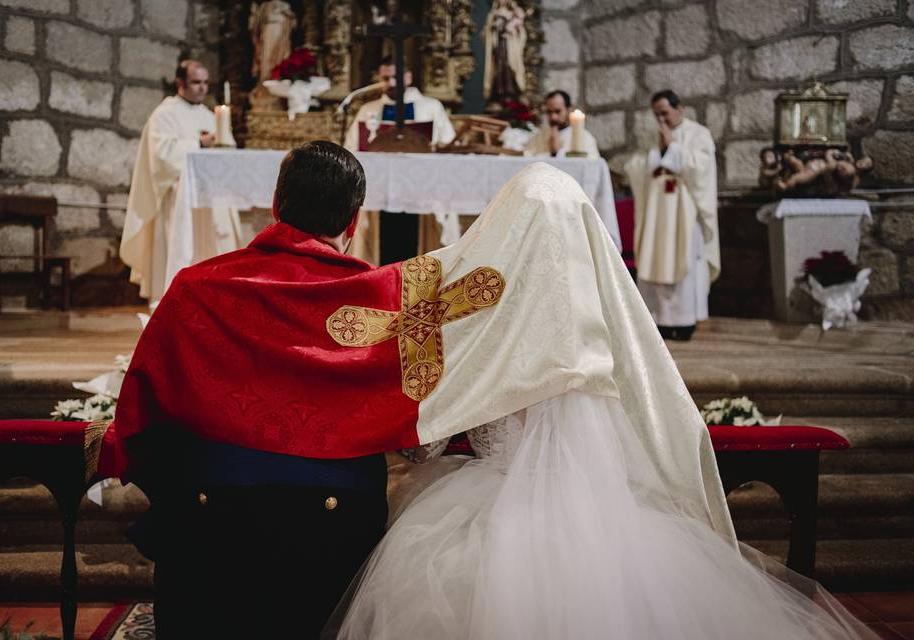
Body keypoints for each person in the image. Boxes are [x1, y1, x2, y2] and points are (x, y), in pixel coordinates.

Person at [330, 163, 875, 640]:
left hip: (485, 508)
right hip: (604, 515)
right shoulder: (607, 325)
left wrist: (411, 446)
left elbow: (429, 441)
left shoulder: (475, 314)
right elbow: (650, 418)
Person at [99, 142, 390, 638]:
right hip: (336, 526)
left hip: (214, 518)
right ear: (354, 221)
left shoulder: (196, 287)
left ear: (276, 204)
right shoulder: (382, 297)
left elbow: (142, 410)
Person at [120, 60, 241, 306]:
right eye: (196, 82)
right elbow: (161, 156)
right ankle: (173, 299)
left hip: (210, 199)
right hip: (178, 199)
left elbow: (227, 154)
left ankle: (212, 298)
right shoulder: (165, 114)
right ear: (180, 83)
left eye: (206, 83)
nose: (202, 88)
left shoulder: (211, 116)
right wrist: (198, 144)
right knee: (181, 250)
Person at [625, 89, 719, 341]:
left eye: (665, 114)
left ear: (680, 109)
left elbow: (702, 170)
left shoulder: (699, 134)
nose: (661, 121)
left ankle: (684, 321)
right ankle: (657, 320)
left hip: (684, 214)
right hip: (656, 213)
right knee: (654, 258)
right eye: (656, 115)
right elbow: (633, 166)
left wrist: (673, 149)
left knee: (683, 261)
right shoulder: (651, 137)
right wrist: (653, 158)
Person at [344, 57, 456, 266]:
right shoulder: (368, 109)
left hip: (422, 187)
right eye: (386, 78)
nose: (391, 83)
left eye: (396, 77)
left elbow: (447, 145)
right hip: (379, 189)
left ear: (409, 77)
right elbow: (351, 149)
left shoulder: (431, 107)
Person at [524, 89, 600, 159]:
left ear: (569, 109)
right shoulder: (540, 136)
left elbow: (591, 165)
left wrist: (558, 152)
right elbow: (526, 155)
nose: (553, 117)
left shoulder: (585, 137)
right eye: (549, 112)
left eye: (557, 111)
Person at [484, 0, 527, 102]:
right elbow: (488, 32)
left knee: (509, 66)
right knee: (498, 68)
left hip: (510, 46)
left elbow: (520, 32)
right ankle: (499, 91)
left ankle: (510, 91)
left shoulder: (515, 12)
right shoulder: (493, 13)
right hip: (499, 46)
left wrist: (511, 29)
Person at [249, 0, 296, 86]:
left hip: (281, 25)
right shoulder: (266, 7)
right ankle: (266, 82)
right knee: (267, 57)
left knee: (281, 56)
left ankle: (277, 81)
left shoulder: (284, 7)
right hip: (269, 25)